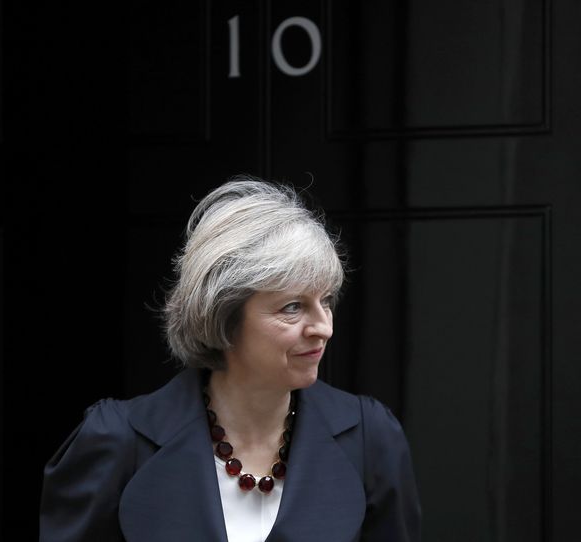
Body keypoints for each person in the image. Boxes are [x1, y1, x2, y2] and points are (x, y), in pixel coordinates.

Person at [39, 175, 421, 541]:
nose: (323, 327)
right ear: (223, 316)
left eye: (326, 302)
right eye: (292, 307)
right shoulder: (116, 441)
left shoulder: (371, 439)